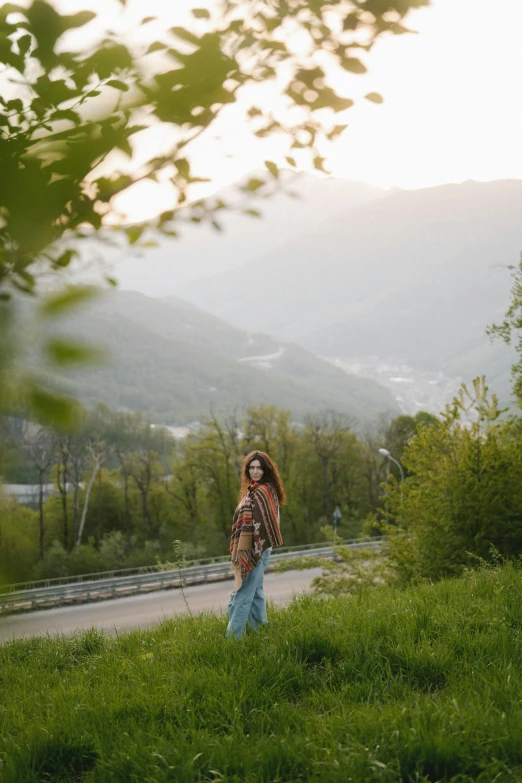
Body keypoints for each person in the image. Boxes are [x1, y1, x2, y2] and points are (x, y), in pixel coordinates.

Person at [226, 450, 286, 639]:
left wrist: (253, 549)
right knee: (256, 591)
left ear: (266, 470)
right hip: (256, 548)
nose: (255, 471)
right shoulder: (254, 490)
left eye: (259, 468)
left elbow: (265, 523)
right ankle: (261, 630)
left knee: (242, 593)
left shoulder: (263, 492)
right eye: (251, 468)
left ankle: (233, 638)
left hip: (258, 550)